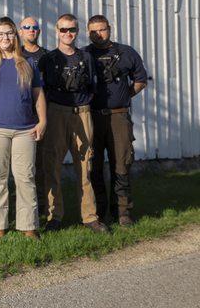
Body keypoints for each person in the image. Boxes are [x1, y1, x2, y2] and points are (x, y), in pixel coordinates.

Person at [0, 17, 47, 240]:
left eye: (9, 33)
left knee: (25, 177)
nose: (5, 38)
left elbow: (38, 94)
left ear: (15, 36)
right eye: (0, 34)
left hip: (25, 129)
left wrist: (42, 121)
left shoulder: (27, 63)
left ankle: (28, 225)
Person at [37, 14, 108, 233]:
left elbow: (93, 86)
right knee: (52, 165)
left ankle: (89, 216)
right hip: (57, 112)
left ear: (78, 32)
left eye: (72, 30)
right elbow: (41, 90)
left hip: (82, 112)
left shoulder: (86, 57)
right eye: (64, 30)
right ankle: (54, 216)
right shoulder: (48, 59)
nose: (68, 34)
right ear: (57, 31)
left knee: (84, 166)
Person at [85, 15, 147, 226]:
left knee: (121, 164)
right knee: (94, 166)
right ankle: (100, 212)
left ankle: (122, 212)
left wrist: (124, 96)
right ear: (88, 32)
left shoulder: (126, 52)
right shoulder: (84, 54)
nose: (98, 34)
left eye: (102, 30)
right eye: (93, 31)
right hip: (92, 116)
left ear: (109, 29)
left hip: (118, 116)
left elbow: (140, 80)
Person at [18, 16, 49, 216]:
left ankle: (44, 206)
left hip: (41, 115)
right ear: (20, 31)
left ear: (39, 31)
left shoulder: (48, 56)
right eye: (26, 27)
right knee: (21, 167)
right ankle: (19, 206)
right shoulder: (16, 55)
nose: (31, 30)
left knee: (42, 163)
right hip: (21, 117)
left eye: (34, 27)